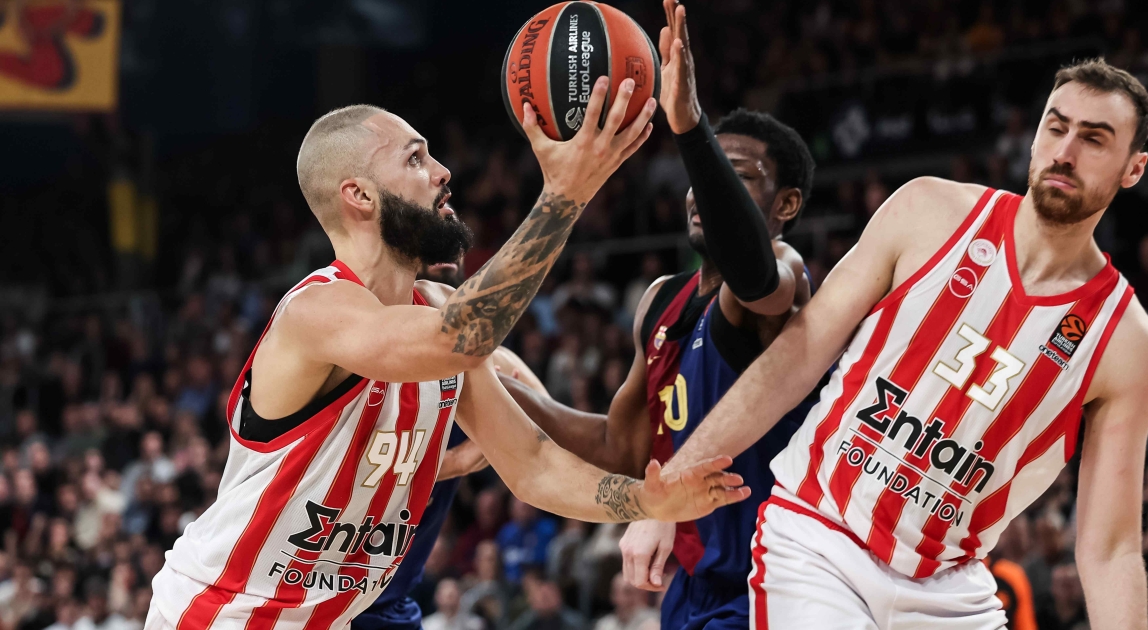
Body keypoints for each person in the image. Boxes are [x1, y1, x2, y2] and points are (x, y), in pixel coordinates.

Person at [145, 81, 750, 629]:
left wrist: (645, 500)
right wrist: (565, 194)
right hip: (216, 616)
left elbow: (533, 465)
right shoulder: (316, 311)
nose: (442, 172)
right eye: (415, 159)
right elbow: (457, 338)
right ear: (359, 195)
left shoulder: (437, 307)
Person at [663, 57, 1148, 629]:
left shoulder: (1127, 342)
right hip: (820, 537)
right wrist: (672, 488)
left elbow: (1110, 549)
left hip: (950, 584)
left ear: (1134, 168)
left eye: (1094, 139)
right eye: (1056, 127)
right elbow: (794, 358)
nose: (1065, 152)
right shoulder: (929, 211)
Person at [503, 3, 816, 629]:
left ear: (786, 204)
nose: (704, 188)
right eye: (704, 173)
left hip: (778, 585)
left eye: (735, 174)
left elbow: (757, 280)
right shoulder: (661, 300)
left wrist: (692, 128)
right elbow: (619, 448)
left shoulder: (787, 276)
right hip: (694, 588)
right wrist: (488, 386)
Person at [351, 261, 545, 630]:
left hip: (389, 599)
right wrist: (459, 459)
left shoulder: (487, 361)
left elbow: (552, 428)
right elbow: (351, 466)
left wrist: (516, 420)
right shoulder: (362, 347)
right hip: (320, 588)